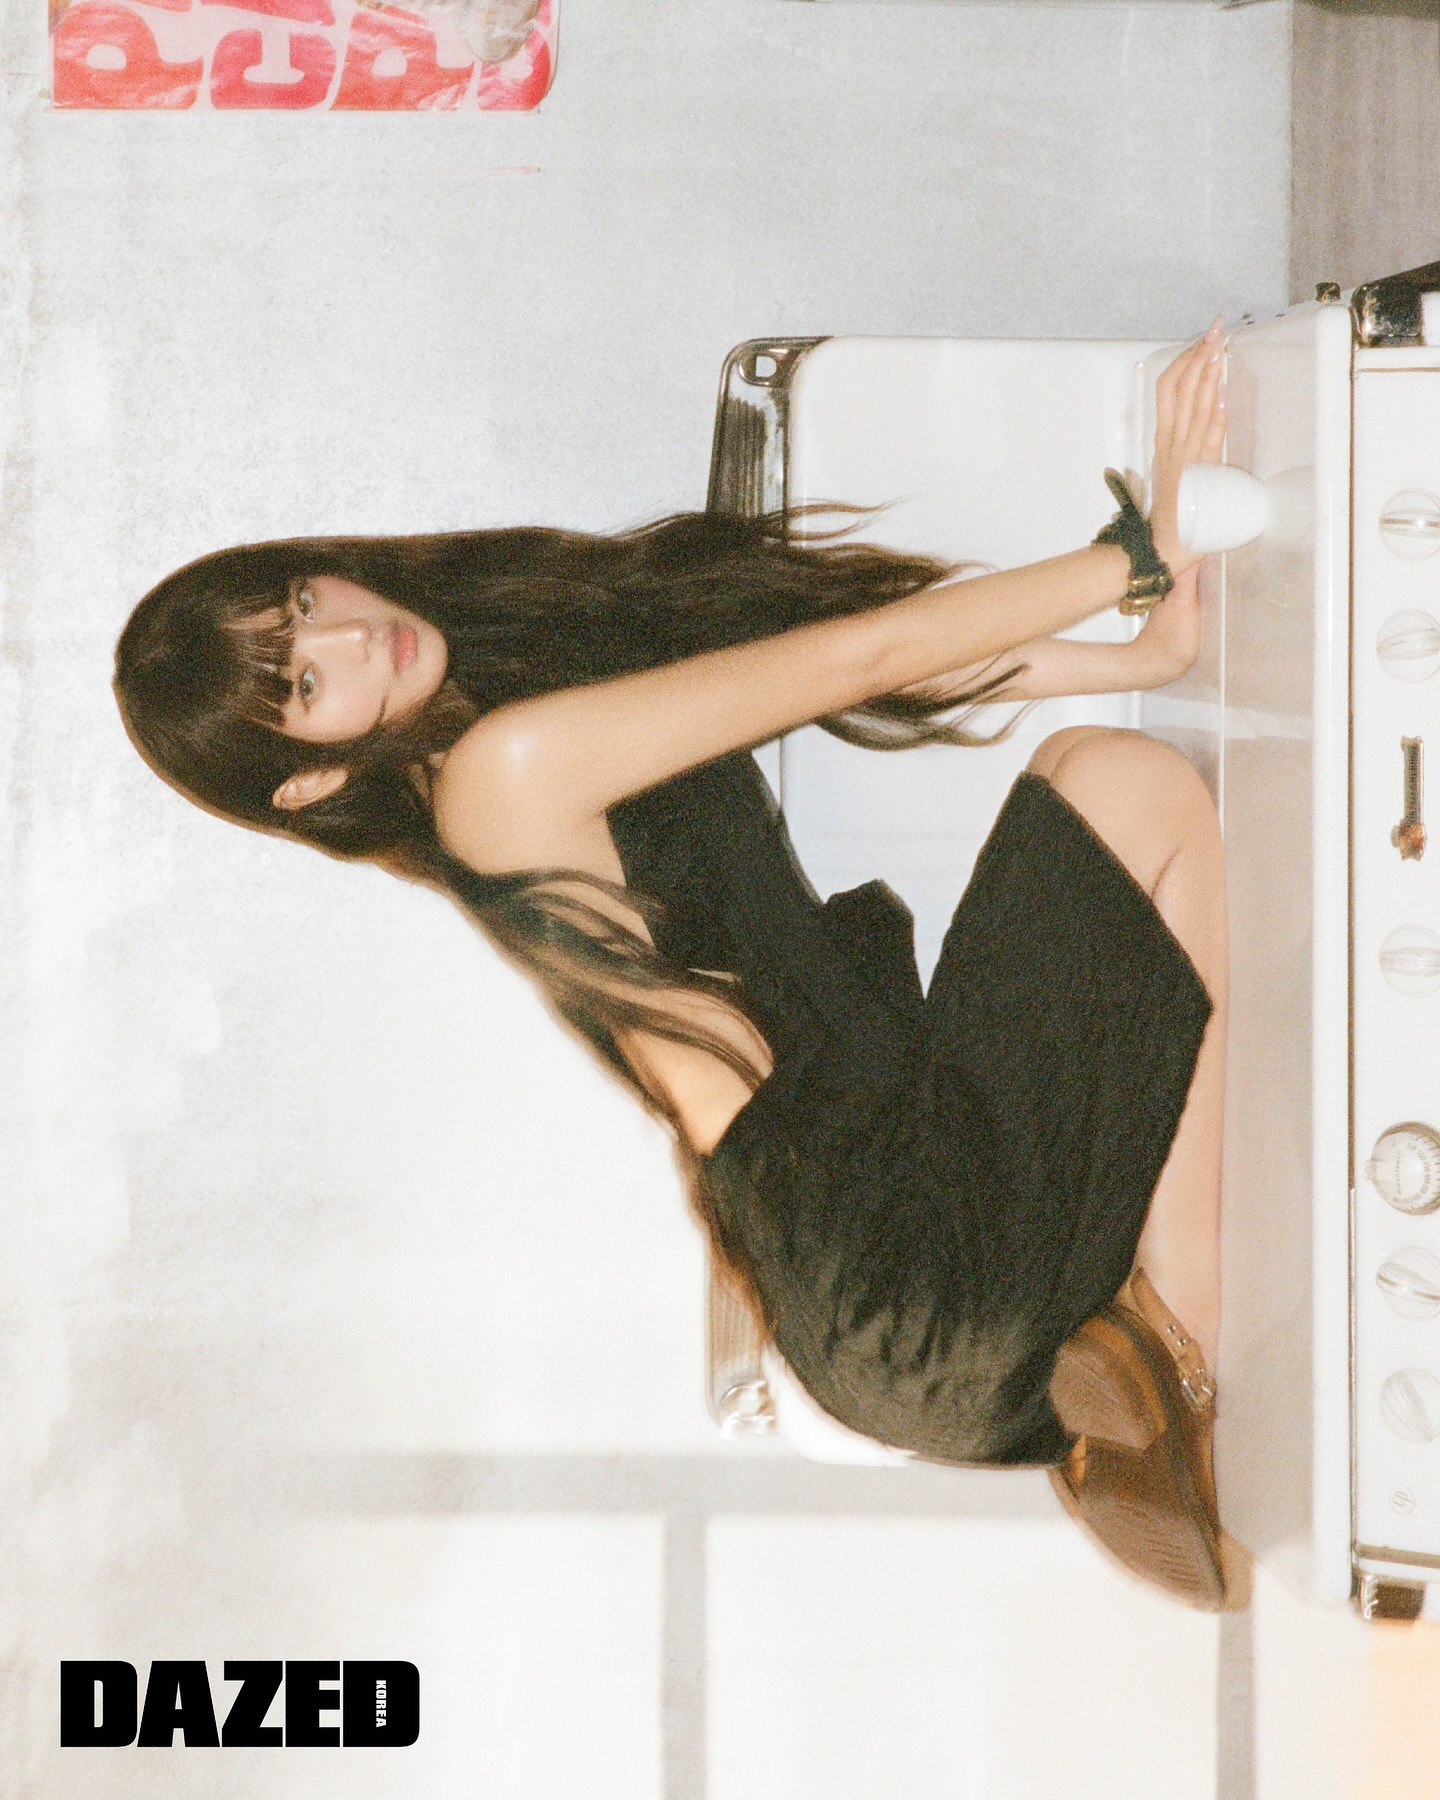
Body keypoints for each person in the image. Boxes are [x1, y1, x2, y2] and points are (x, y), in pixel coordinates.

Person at [115, 325, 1237, 1608]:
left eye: (307, 607)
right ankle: (1179, 1337)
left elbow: (839, 654)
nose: (360, 638)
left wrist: (1140, 652)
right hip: (907, 1280)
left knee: (1101, 769)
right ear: (310, 782)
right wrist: (1138, 550)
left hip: (899, 1253)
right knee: (1123, 781)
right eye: (311, 682)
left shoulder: (514, 708)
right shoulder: (499, 779)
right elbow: (864, 655)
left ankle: (1138, 1362)